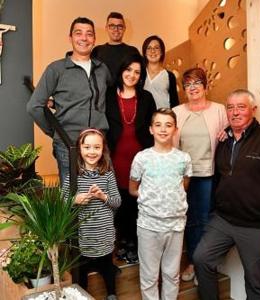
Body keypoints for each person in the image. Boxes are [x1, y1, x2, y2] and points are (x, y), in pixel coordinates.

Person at [193, 89, 260, 300]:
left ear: (253, 110)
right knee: (201, 259)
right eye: (230, 107)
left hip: (257, 226)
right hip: (223, 220)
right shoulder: (223, 139)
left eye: (241, 107)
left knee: (256, 283)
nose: (235, 112)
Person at [27, 17, 111, 185]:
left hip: (98, 145)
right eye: (78, 33)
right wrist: (56, 132)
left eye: (89, 34)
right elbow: (34, 106)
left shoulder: (102, 69)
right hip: (68, 145)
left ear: (94, 39)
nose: (84, 38)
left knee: (100, 198)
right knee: (72, 200)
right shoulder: (56, 69)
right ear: (70, 37)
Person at [129, 108, 192, 300]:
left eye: (168, 125)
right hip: (149, 225)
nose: (163, 129)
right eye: (158, 125)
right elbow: (133, 188)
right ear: (150, 129)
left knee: (172, 274)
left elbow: (184, 187)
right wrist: (152, 199)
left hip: (175, 225)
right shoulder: (142, 157)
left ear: (175, 129)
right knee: (149, 276)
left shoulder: (184, 159)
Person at [172, 67, 228, 284]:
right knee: (188, 219)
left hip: (208, 173)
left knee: (204, 219)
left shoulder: (219, 110)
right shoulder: (177, 112)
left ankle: (202, 264)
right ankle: (195, 261)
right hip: (183, 175)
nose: (192, 88)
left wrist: (228, 133)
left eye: (197, 83)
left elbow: (229, 135)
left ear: (206, 86)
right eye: (188, 84)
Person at [106, 53, 156, 264]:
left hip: (141, 157)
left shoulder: (146, 98)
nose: (132, 75)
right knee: (121, 202)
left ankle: (134, 244)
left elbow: (154, 126)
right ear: (121, 71)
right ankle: (123, 243)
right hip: (115, 157)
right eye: (128, 70)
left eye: (137, 72)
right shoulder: (109, 95)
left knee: (137, 203)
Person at [62, 128, 121, 300]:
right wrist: (75, 200)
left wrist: (103, 196)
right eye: (87, 147)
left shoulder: (107, 174)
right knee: (81, 274)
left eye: (96, 147)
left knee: (107, 268)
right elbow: (61, 202)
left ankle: (111, 294)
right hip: (83, 237)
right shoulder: (73, 176)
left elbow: (117, 201)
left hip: (104, 234)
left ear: (103, 150)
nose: (92, 151)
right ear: (79, 149)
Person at [92, 12, 139, 83]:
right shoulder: (97, 50)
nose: (116, 30)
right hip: (103, 93)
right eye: (112, 26)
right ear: (106, 28)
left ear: (124, 29)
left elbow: (138, 75)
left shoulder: (132, 51)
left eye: (119, 26)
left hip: (126, 93)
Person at [142, 35, 179, 108]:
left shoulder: (169, 76)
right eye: (149, 48)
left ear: (162, 52)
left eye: (156, 48)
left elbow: (175, 102)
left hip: (164, 117)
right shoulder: (140, 74)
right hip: (144, 118)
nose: (152, 51)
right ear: (145, 53)